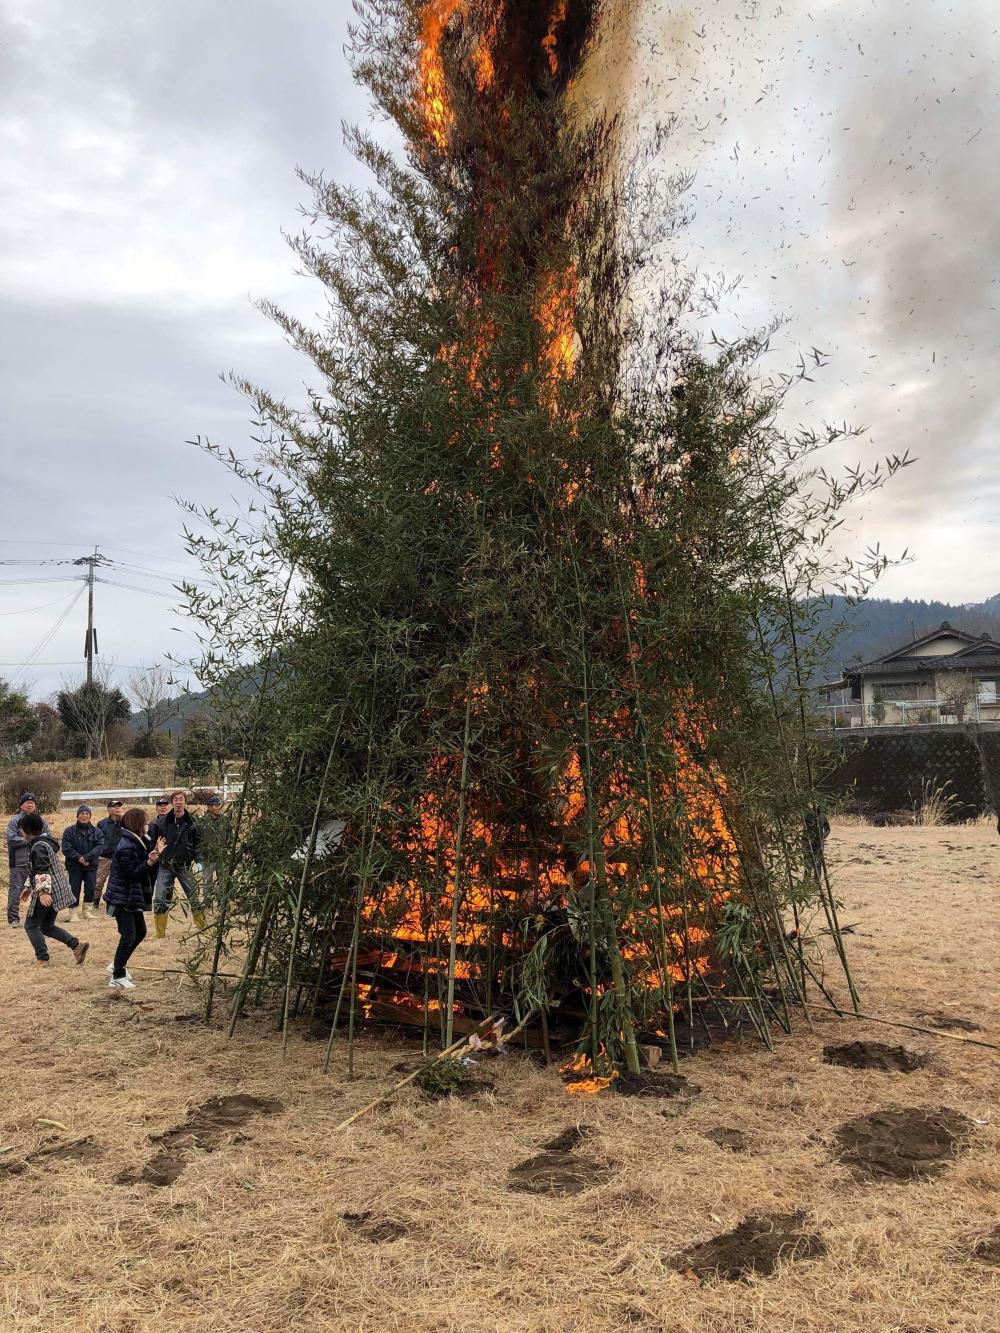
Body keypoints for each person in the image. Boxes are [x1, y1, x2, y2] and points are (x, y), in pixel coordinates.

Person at [104, 807, 164, 990]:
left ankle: (117, 964)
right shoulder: (127, 846)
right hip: (123, 898)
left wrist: (154, 858)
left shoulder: (138, 843)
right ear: (136, 823)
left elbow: (146, 869)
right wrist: (149, 862)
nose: (147, 825)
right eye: (145, 821)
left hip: (131, 897)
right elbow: (133, 874)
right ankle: (117, 975)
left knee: (140, 932)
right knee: (129, 936)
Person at [19, 812, 89, 966]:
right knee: (46, 926)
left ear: (28, 830)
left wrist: (43, 893)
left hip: (49, 891)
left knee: (31, 925)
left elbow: (42, 870)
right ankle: (76, 946)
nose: (21, 833)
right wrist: (28, 887)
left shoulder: (38, 847)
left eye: (22, 830)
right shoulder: (45, 843)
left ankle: (42, 958)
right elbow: (37, 870)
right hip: (57, 890)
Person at [152, 790, 203, 938]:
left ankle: (202, 926)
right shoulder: (161, 823)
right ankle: (159, 933)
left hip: (184, 866)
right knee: (160, 897)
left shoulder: (192, 822)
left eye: (181, 799)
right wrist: (156, 852)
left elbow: (197, 844)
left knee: (193, 895)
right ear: (172, 803)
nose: (179, 802)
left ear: (185, 802)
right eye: (176, 800)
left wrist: (199, 860)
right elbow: (153, 845)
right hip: (165, 866)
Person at [6, 793, 50, 927]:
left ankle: (35, 918)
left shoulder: (41, 821)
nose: (30, 804)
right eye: (27, 802)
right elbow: (12, 839)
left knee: (39, 889)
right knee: (16, 890)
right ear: (21, 805)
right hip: (19, 862)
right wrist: (30, 839)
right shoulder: (15, 821)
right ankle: (13, 919)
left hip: (37, 860)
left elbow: (47, 836)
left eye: (32, 802)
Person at [61, 804, 104, 921]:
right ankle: (73, 913)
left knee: (91, 887)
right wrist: (79, 858)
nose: (84, 816)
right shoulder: (69, 831)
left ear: (90, 816)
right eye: (82, 814)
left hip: (91, 865)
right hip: (74, 866)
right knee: (74, 888)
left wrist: (86, 858)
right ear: (77, 816)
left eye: (87, 814)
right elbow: (66, 848)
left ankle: (87, 911)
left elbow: (99, 847)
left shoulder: (97, 832)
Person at [199, 794, 232, 904]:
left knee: (223, 879)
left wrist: (228, 846)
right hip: (208, 857)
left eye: (219, 805)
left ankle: (222, 901)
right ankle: (208, 902)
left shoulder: (225, 819)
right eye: (215, 805)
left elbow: (229, 834)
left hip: (222, 856)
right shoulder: (202, 821)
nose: (217, 807)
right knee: (207, 880)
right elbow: (198, 838)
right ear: (209, 807)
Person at [96, 799, 125, 896]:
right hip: (105, 857)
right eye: (114, 806)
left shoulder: (125, 822)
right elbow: (97, 840)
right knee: (98, 882)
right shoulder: (102, 823)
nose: (117, 808)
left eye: (119, 806)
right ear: (109, 810)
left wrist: (124, 818)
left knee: (118, 882)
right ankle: (94, 903)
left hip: (120, 857)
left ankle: (113, 902)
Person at [803, 806, 831, 881]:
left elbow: (828, 829)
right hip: (809, 843)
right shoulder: (807, 816)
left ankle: (817, 882)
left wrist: (823, 836)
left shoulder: (823, 816)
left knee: (818, 864)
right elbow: (804, 829)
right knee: (808, 864)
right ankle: (806, 882)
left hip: (819, 844)